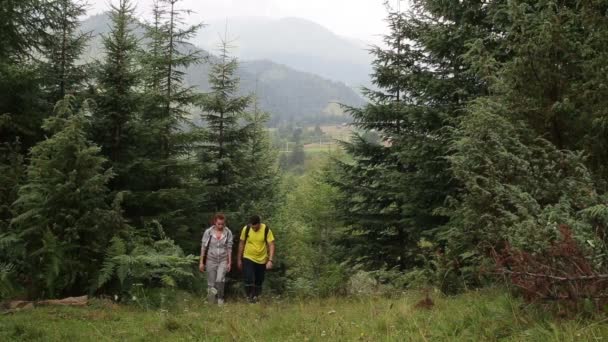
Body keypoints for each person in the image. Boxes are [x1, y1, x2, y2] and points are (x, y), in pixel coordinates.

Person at [237, 215, 275, 303]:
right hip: (248, 256)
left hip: (262, 259)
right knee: (249, 277)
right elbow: (241, 243)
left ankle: (256, 297)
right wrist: (239, 259)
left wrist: (270, 260)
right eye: (252, 227)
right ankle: (249, 298)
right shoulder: (246, 229)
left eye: (255, 227)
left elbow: (271, 244)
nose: (253, 229)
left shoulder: (266, 230)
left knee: (259, 280)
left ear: (259, 224)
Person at [199, 213, 233, 306]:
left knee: (220, 280)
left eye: (222, 224)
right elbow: (203, 247)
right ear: (215, 222)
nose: (221, 226)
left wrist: (229, 262)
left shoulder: (228, 232)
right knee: (211, 282)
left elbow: (229, 248)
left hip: (223, 260)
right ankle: (210, 301)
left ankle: (220, 300)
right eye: (219, 224)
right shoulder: (208, 232)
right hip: (211, 259)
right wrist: (201, 262)